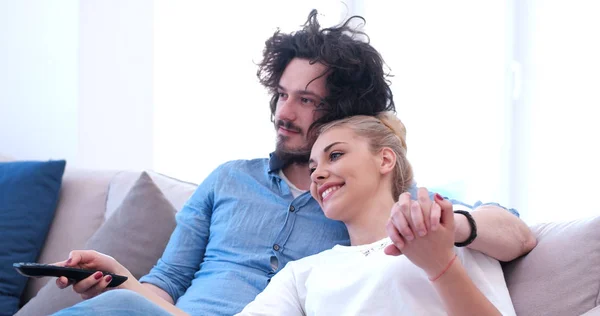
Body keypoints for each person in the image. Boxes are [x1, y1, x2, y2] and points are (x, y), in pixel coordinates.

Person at [51, 10, 535, 316]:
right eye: (281, 95)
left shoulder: (386, 211)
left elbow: (515, 232)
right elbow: (166, 287)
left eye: (305, 100)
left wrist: (449, 228)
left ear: (345, 113)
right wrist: (122, 279)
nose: (283, 112)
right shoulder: (228, 180)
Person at [237, 113, 516, 315]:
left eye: (335, 155)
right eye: (312, 169)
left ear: (384, 159)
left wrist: (440, 261)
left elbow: (520, 236)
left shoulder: (450, 226)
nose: (318, 175)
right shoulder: (301, 274)